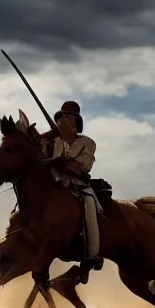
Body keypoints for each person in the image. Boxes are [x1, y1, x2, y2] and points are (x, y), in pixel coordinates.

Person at [40, 101, 103, 282]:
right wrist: (47, 135)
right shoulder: (52, 143)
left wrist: (64, 161)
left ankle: (92, 255)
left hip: (77, 185)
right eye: (60, 117)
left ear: (75, 122)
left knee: (89, 204)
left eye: (67, 117)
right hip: (53, 183)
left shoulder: (87, 143)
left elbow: (84, 167)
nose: (62, 120)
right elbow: (37, 150)